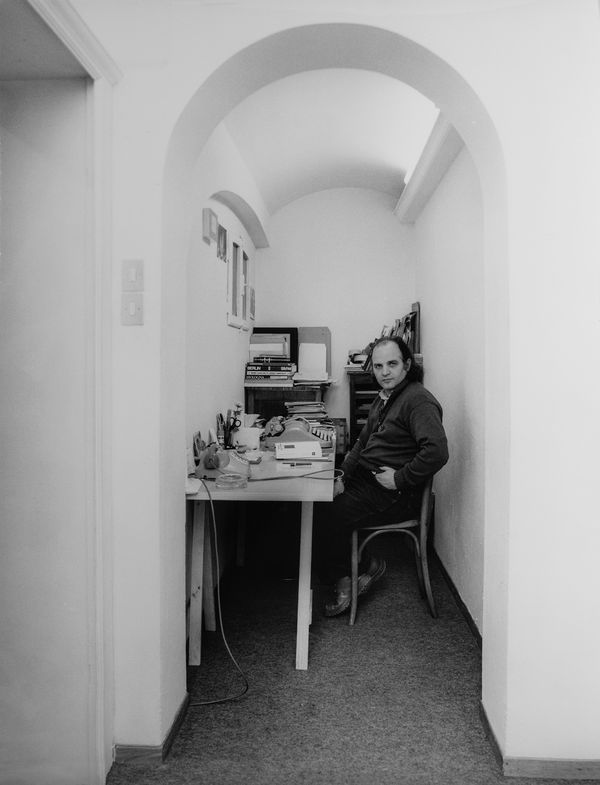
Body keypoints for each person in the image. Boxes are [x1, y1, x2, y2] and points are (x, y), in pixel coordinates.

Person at [316, 336, 449, 617]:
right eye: (378, 366)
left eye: (392, 364)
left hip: (394, 493)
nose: (384, 372)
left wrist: (400, 478)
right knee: (316, 497)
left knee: (325, 513)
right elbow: (361, 444)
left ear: (407, 365)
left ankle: (350, 577)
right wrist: (341, 477)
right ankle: (363, 566)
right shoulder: (384, 397)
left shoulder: (418, 401)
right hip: (367, 481)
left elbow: (437, 452)